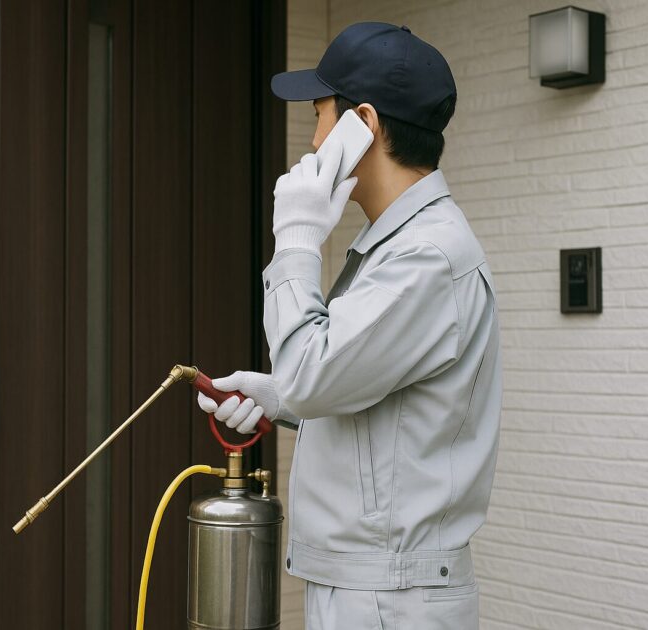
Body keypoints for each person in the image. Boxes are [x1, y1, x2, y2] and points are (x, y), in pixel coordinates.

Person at [196, 22, 501, 629]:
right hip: (376, 589)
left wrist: (297, 239)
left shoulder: (425, 258)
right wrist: (276, 395)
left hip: (389, 598)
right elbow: (347, 381)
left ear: (364, 124)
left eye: (319, 116)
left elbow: (312, 372)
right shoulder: (402, 247)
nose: (312, 140)